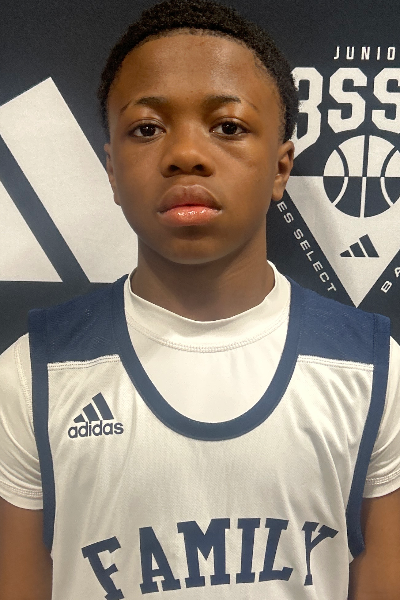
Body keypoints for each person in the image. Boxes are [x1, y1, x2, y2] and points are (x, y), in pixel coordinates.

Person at [1, 0, 400, 597]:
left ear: (281, 168)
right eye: (147, 128)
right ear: (110, 170)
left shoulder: (372, 369)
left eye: (228, 127)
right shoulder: (34, 374)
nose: (186, 154)